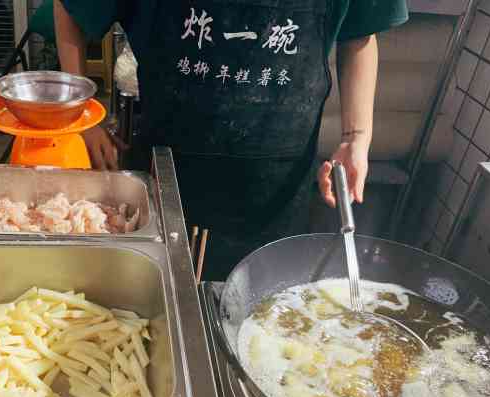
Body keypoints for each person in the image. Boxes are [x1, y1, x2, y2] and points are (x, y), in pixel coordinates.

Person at [53, 0, 408, 280]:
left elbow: (361, 33)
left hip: (276, 188)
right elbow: (70, 6)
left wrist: (356, 137)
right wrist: (80, 111)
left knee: (258, 312)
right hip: (169, 174)